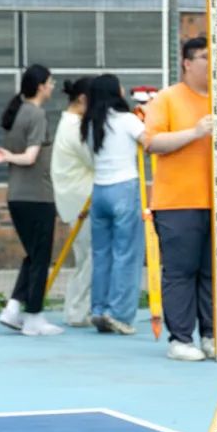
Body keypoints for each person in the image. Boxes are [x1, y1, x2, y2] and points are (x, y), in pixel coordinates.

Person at [142, 37, 217, 361]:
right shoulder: (167, 99)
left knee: (214, 271)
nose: (213, 63)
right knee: (181, 271)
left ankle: (211, 334)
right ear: (187, 62)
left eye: (216, 57)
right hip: (178, 203)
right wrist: (194, 132)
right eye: (206, 57)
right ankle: (180, 339)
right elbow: (151, 142)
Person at [0, 64, 62, 337]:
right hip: (37, 197)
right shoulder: (36, 114)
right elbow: (30, 157)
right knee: (40, 258)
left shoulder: (18, 112)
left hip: (17, 196)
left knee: (33, 255)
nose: (53, 86)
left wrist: (8, 155)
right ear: (41, 86)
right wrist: (9, 157)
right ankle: (34, 317)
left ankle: (12, 309)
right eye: (51, 82)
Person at [82, 74, 146, 335]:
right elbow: (149, 140)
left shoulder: (90, 124)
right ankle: (119, 314)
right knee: (126, 254)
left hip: (99, 190)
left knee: (101, 254)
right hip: (124, 188)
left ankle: (98, 309)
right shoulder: (128, 120)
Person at [50, 77, 94, 328]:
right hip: (81, 199)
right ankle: (77, 310)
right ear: (83, 99)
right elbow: (95, 160)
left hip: (75, 198)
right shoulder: (76, 128)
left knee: (86, 257)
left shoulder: (69, 123)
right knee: (90, 258)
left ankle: (78, 309)